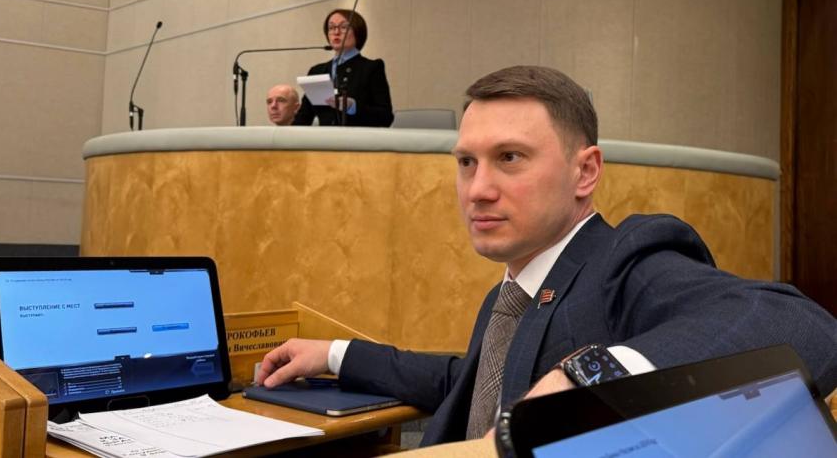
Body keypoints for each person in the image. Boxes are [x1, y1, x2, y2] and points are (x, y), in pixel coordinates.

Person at [257, 65, 837, 447]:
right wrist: (334, 354)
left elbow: (799, 323)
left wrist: (589, 378)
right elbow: (471, 380)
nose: (478, 189)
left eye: (510, 158)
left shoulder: (625, 260)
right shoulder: (510, 294)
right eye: (467, 162)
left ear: (585, 172)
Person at [292, 9, 394, 127]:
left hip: (356, 137)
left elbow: (386, 117)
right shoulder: (317, 71)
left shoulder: (371, 68)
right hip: (324, 138)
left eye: (344, 27)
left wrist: (352, 107)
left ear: (358, 31)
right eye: (331, 28)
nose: (336, 32)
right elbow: (304, 116)